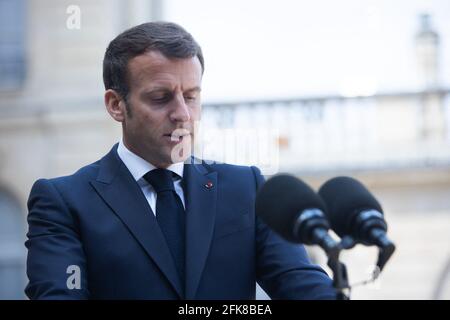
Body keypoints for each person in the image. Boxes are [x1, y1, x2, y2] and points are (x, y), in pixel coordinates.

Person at [25, 22, 336, 300]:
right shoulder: (64, 202)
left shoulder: (247, 188)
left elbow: (300, 283)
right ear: (116, 104)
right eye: (160, 98)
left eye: (191, 96)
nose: (183, 114)